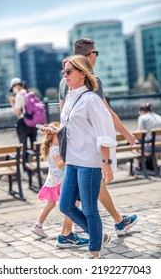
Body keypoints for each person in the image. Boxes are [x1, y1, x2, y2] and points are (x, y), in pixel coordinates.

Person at [56, 38, 138, 247]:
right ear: (90, 56)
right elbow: (105, 112)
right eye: (96, 54)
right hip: (88, 151)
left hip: (73, 149)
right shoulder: (91, 79)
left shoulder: (63, 80)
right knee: (86, 194)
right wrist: (127, 133)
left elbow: (63, 114)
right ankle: (95, 230)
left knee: (79, 195)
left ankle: (111, 223)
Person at [59, 54, 117, 259]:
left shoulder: (91, 99)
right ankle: (98, 236)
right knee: (65, 205)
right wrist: (54, 130)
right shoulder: (69, 98)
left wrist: (106, 163)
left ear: (82, 74)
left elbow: (104, 134)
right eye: (63, 71)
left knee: (90, 209)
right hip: (73, 161)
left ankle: (94, 252)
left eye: (69, 71)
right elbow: (72, 128)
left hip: (90, 162)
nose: (64, 75)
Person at [31, 121, 89, 247]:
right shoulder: (56, 150)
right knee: (73, 202)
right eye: (61, 136)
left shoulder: (52, 147)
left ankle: (38, 225)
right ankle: (77, 225)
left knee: (52, 204)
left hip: (54, 180)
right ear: (54, 136)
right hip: (59, 181)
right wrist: (71, 158)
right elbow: (59, 164)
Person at [8, 78, 37, 180]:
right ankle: (37, 170)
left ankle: (25, 171)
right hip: (33, 123)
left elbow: (17, 112)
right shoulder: (30, 93)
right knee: (34, 147)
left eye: (13, 87)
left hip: (23, 124)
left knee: (23, 148)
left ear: (16, 86)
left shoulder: (20, 95)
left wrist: (12, 102)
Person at [133, 103, 161, 170]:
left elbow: (140, 133)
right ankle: (156, 165)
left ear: (142, 111)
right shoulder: (158, 116)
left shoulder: (142, 117)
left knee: (134, 145)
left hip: (151, 147)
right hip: (160, 145)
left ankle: (136, 166)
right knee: (154, 141)